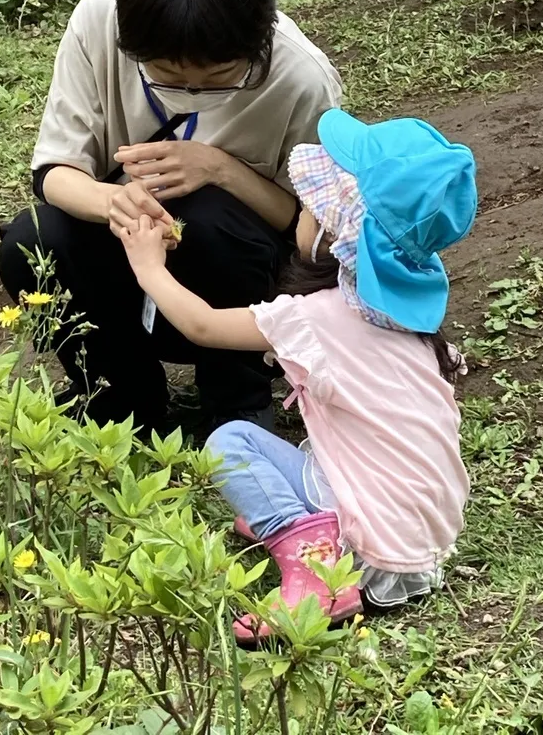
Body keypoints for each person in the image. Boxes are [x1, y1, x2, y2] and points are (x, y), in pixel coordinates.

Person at [120, 107, 477, 643]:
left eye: (311, 206)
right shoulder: (408, 315)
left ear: (333, 235)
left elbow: (203, 326)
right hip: (427, 535)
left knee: (232, 441)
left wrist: (148, 265)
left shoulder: (317, 318)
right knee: (312, 448)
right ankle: (314, 521)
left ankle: (313, 560)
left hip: (378, 548)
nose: (300, 215)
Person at [0, 0, 342, 435]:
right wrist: (112, 203)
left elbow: (314, 231)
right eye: (167, 75)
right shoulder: (100, 18)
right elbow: (54, 170)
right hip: (126, 276)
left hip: (243, 289)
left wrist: (222, 170)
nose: (191, 90)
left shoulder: (302, 79)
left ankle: (237, 400)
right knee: (33, 239)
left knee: (210, 214)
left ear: (260, 35)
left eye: (220, 78)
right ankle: (121, 395)